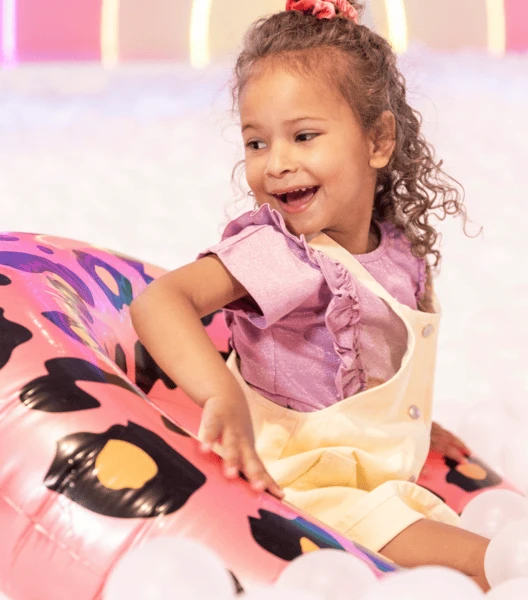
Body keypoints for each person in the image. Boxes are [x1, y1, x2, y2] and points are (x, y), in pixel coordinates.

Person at [130, 0, 489, 590]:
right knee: (490, 566)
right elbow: (159, 302)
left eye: (303, 136)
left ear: (378, 141)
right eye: (256, 143)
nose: (276, 164)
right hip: (302, 489)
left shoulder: (397, 251)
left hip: (370, 484)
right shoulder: (283, 255)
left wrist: (413, 427)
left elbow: (369, 375)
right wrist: (221, 393)